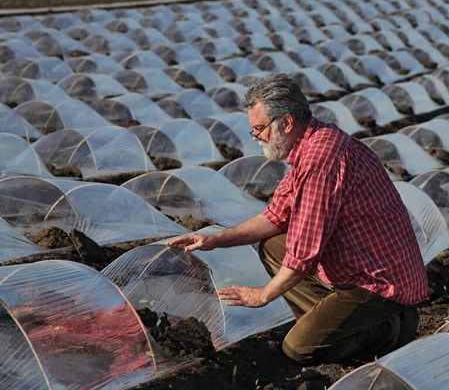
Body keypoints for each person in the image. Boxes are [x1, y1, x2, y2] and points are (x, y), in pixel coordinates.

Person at [166, 73, 428, 364]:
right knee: (274, 246)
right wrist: (213, 240)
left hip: (379, 283)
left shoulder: (322, 159)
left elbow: (305, 252)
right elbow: (276, 216)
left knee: (299, 349)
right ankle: (338, 324)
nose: (256, 138)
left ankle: (390, 330)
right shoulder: (312, 144)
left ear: (287, 123)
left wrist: (263, 295)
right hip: (358, 265)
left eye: (259, 129)